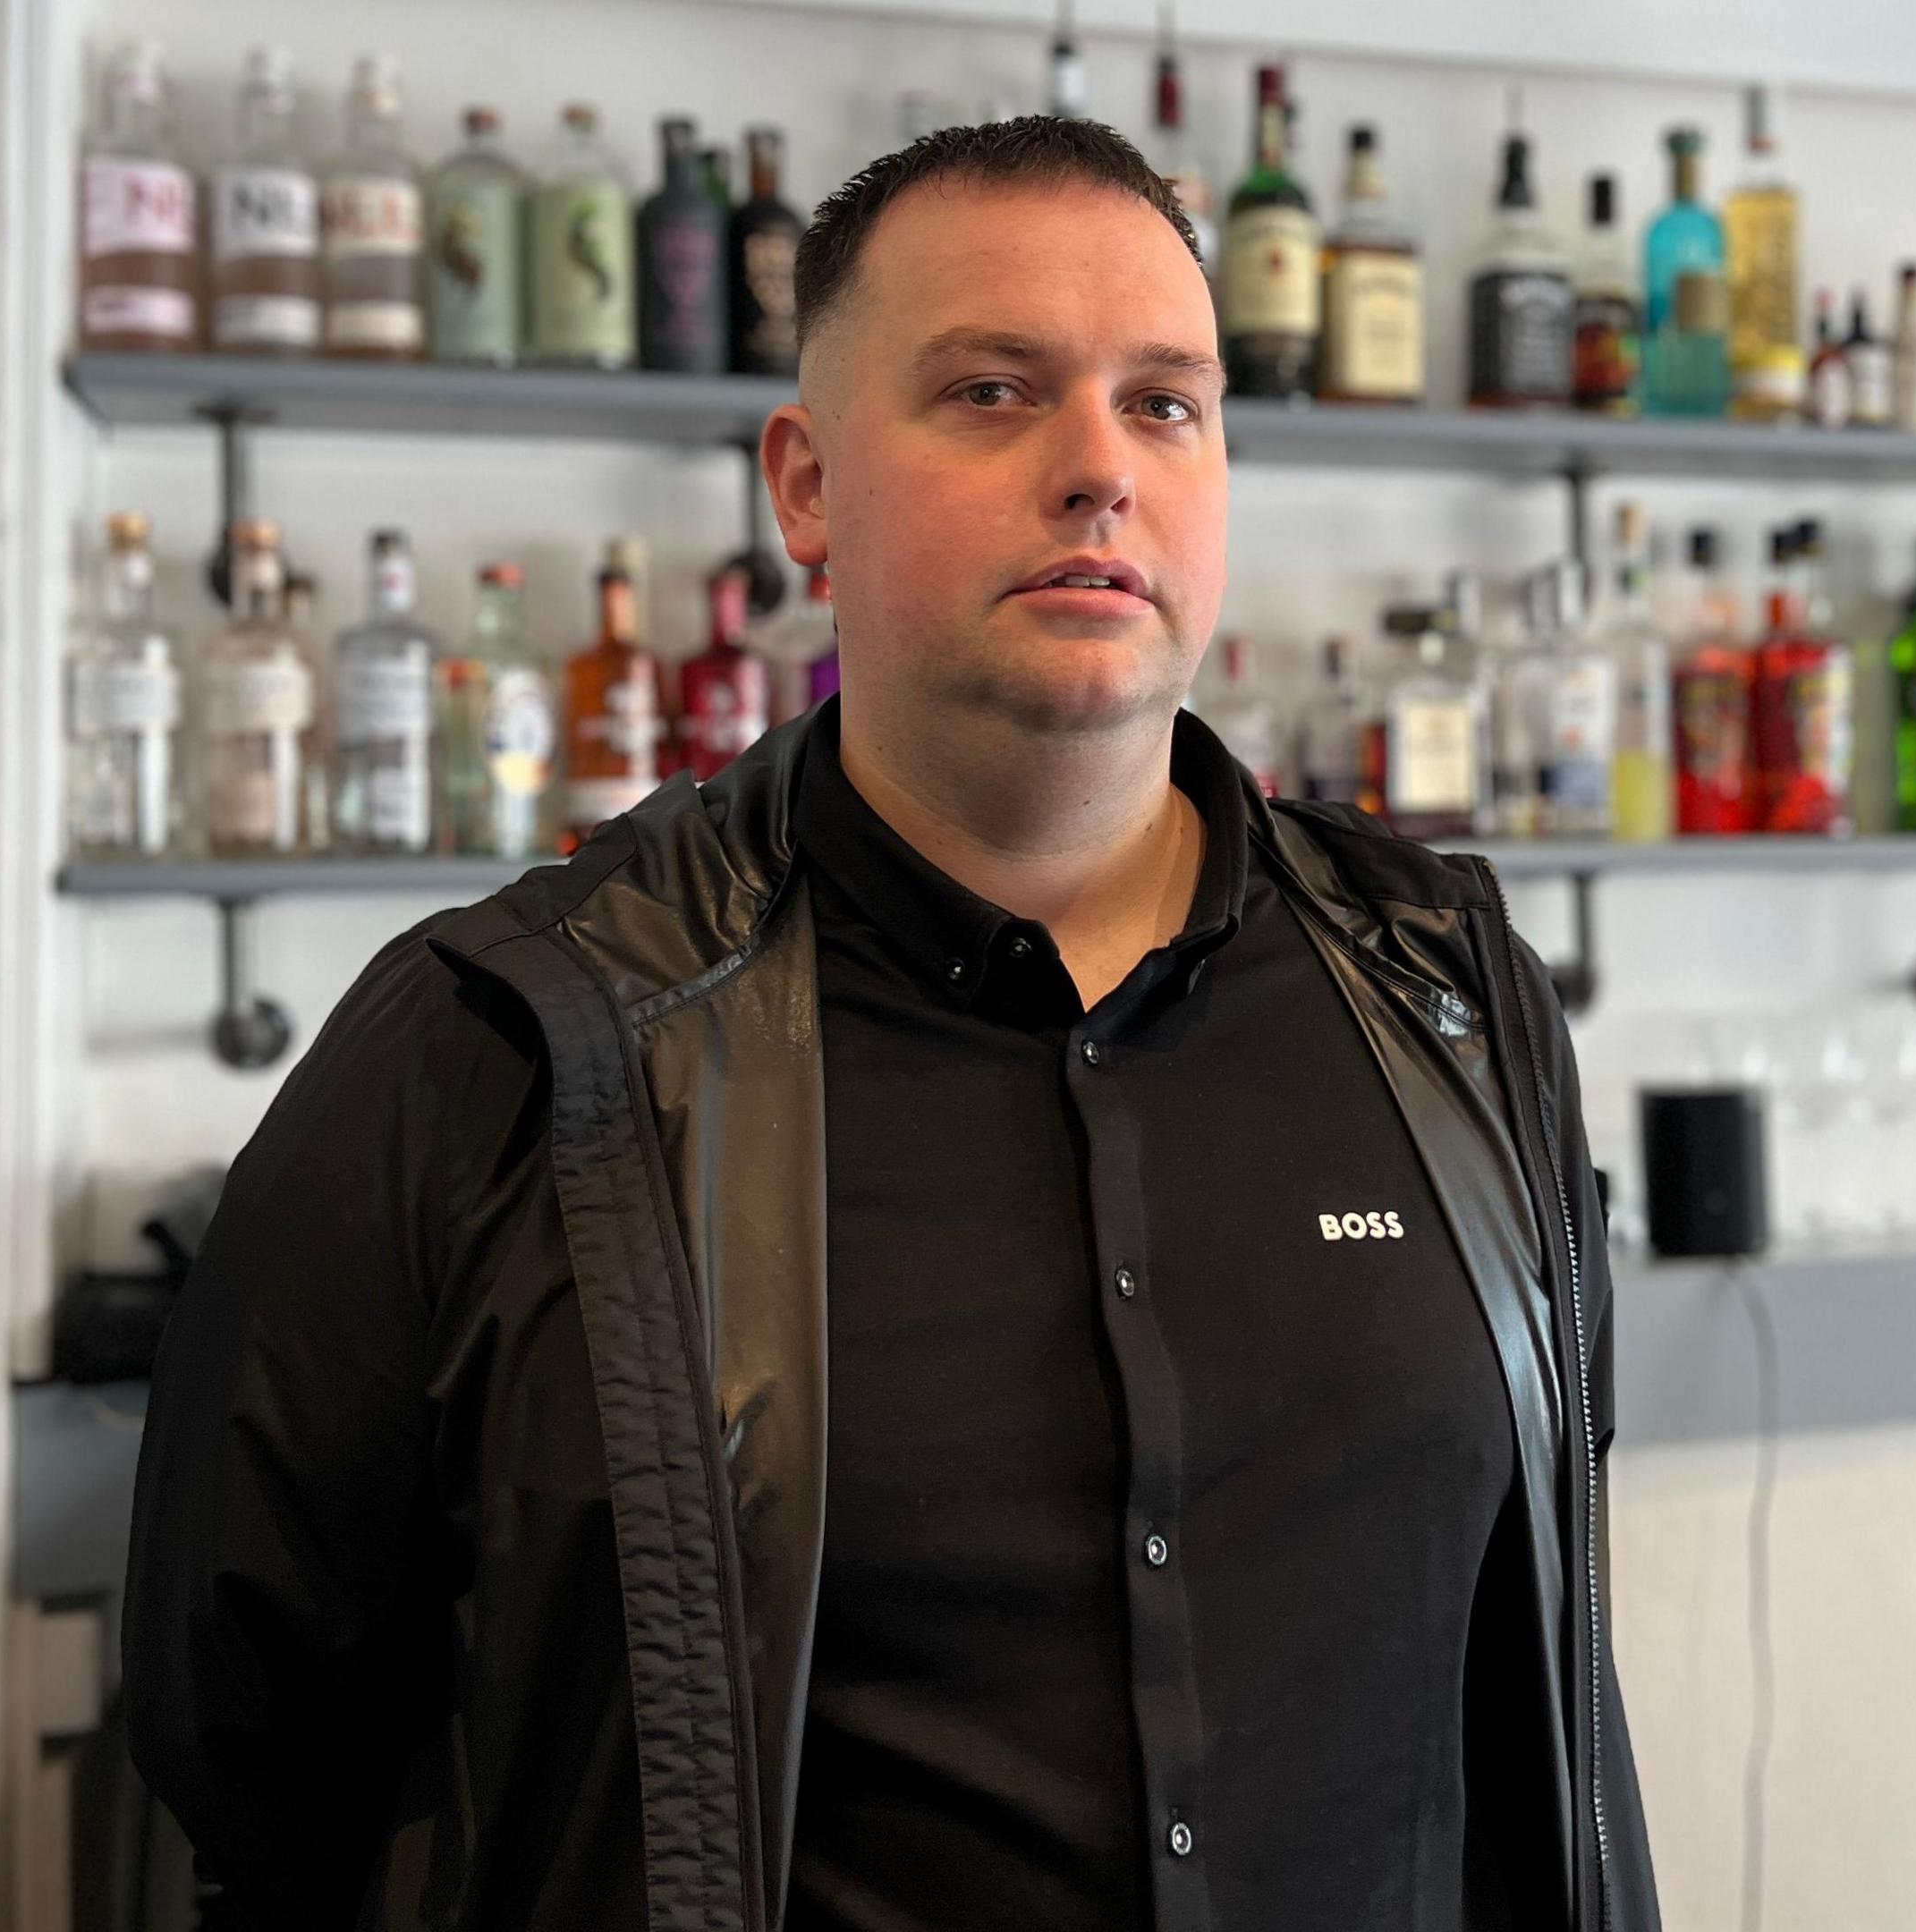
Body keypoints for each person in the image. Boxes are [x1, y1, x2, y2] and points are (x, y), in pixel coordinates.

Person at [123, 115, 1660, 1932]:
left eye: (1166, 403)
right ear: (807, 492)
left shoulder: (1455, 1002)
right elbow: (254, 1767)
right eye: (996, 392)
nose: (1101, 469)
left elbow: (1539, 1708)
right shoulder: (508, 1049)